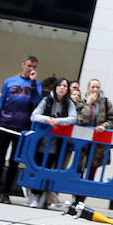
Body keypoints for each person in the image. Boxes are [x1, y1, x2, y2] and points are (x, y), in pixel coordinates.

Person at [0, 56, 42, 203]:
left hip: (22, 128)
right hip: (5, 124)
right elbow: (1, 101)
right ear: (23, 65)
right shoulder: (10, 81)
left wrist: (34, 82)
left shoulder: (37, 84)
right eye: (29, 66)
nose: (31, 69)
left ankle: (5, 192)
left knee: (14, 162)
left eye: (34, 67)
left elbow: (36, 101)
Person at [28, 77, 75, 208]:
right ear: (55, 87)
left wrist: (58, 121)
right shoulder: (46, 100)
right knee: (36, 167)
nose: (62, 88)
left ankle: (43, 196)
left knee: (49, 168)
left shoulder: (68, 103)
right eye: (60, 85)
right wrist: (48, 119)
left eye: (65, 86)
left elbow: (73, 118)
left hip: (56, 145)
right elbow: (34, 116)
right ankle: (34, 195)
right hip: (40, 142)